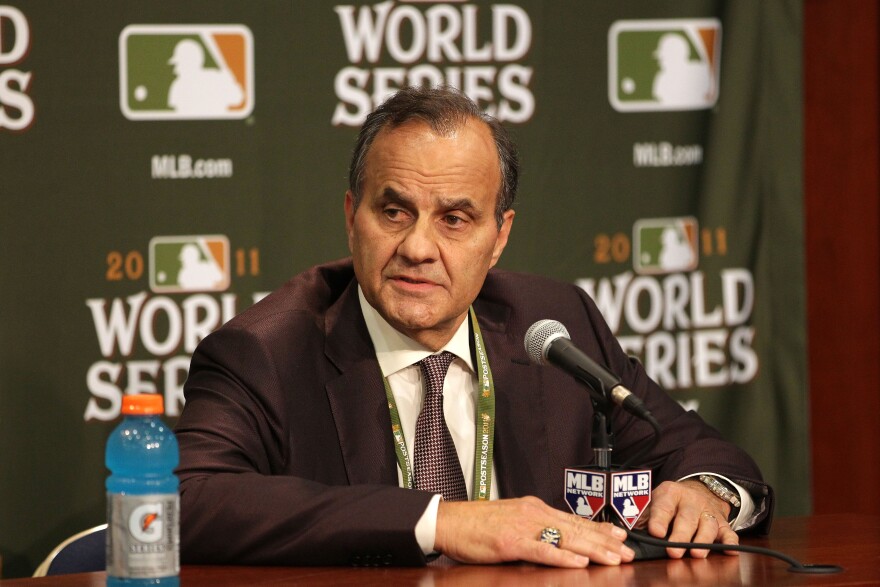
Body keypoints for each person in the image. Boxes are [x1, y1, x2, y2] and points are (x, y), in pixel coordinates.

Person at [175, 86, 773, 568]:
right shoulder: (266, 350)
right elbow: (185, 501)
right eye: (393, 211)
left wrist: (705, 493)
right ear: (352, 216)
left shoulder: (555, 325)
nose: (417, 247)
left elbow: (699, 449)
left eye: (454, 219)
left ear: (499, 236)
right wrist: (448, 522)